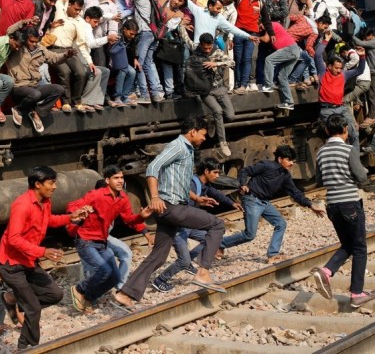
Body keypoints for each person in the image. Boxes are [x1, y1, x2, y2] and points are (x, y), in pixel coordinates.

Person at [114, 117, 228, 309]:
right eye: (203, 134)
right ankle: (203, 272)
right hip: (172, 207)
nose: (203, 139)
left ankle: (126, 293)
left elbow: (178, 182)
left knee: (158, 256)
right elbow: (153, 168)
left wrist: (197, 198)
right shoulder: (178, 146)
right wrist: (155, 197)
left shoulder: (186, 149)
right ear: (193, 131)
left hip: (171, 206)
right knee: (217, 225)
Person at [0, 166, 88, 350]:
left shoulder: (45, 202)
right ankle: (26, 347)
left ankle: (12, 299)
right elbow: (13, 239)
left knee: (55, 294)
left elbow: (49, 221)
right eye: (51, 183)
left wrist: (71, 217)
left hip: (28, 260)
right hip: (12, 264)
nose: (54, 187)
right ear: (37, 184)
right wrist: (42, 252)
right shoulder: (22, 205)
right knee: (34, 309)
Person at [219, 145, 326, 263]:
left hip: (264, 203)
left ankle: (273, 254)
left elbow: (295, 192)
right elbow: (245, 171)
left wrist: (310, 205)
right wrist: (243, 184)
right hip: (252, 200)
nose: (291, 163)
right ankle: (219, 243)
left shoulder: (285, 176)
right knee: (249, 235)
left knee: (281, 224)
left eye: (293, 161)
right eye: (289, 160)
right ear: (280, 159)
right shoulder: (266, 165)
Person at [68, 165, 152, 312]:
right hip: (85, 240)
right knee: (104, 270)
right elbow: (72, 205)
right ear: (107, 180)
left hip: (102, 242)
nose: (120, 181)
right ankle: (79, 289)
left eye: (121, 178)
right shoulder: (96, 195)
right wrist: (79, 211)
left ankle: (88, 297)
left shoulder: (123, 198)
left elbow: (129, 220)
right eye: (116, 178)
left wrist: (141, 217)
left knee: (115, 277)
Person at [152, 158, 243, 292]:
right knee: (184, 260)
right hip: (178, 227)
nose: (218, 176)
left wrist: (231, 203)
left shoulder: (204, 185)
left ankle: (188, 262)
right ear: (206, 171)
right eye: (216, 172)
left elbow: (216, 194)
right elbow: (182, 209)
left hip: (187, 226)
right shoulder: (192, 185)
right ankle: (160, 279)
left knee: (212, 238)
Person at [313, 114, 373, 308]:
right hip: (350, 203)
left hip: (333, 206)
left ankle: (327, 271)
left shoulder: (321, 152)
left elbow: (320, 180)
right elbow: (361, 177)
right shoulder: (348, 150)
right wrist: (360, 172)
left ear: (328, 131)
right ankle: (356, 293)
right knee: (360, 248)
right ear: (345, 130)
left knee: (347, 243)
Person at [5, 25, 69, 133]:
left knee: (59, 89)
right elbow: (9, 32)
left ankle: (36, 113)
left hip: (34, 86)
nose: (34, 44)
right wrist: (23, 22)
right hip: (18, 87)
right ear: (25, 39)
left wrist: (66, 55)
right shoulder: (17, 47)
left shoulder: (40, 49)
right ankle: (18, 109)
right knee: (35, 94)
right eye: (31, 41)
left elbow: (54, 58)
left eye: (36, 41)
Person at [112, 0, 165, 104]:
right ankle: (155, 94)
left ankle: (145, 95)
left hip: (144, 33)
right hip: (152, 33)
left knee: (139, 65)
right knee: (147, 63)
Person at [180, 32, 235, 157]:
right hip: (206, 90)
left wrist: (216, 64)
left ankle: (212, 122)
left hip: (219, 88)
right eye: (205, 48)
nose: (207, 50)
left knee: (230, 116)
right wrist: (180, 25)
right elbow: (186, 39)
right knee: (218, 111)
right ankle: (222, 142)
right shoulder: (196, 48)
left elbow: (232, 63)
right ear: (201, 45)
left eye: (209, 48)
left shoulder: (217, 52)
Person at [317, 33, 366, 151]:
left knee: (354, 132)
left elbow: (359, 70)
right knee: (335, 136)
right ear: (329, 66)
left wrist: (362, 56)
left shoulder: (343, 74)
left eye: (340, 68)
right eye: (336, 68)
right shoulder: (323, 74)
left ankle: (354, 160)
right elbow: (318, 55)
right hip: (327, 110)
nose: (339, 70)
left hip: (341, 108)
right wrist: (326, 40)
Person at [49, 0, 94, 112]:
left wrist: (89, 61)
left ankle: (77, 101)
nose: (78, 12)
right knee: (65, 72)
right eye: (76, 9)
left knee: (81, 72)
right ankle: (66, 102)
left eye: (80, 10)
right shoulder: (59, 10)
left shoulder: (80, 22)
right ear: (69, 5)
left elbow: (81, 43)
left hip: (69, 50)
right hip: (54, 50)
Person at [233, 0, 274, 94]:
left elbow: (266, 20)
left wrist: (272, 33)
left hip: (252, 34)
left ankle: (243, 84)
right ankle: (237, 82)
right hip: (239, 32)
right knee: (238, 58)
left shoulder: (261, 2)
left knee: (248, 58)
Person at [259, 21, 301, 110]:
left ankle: (268, 85)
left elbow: (266, 39)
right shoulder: (275, 26)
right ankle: (289, 102)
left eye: (260, 25)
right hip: (294, 51)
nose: (260, 28)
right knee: (282, 77)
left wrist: (255, 37)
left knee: (269, 60)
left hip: (290, 49)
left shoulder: (271, 25)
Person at [109, 19, 140, 106]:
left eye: (134, 34)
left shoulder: (131, 39)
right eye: (131, 34)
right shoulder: (117, 37)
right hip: (113, 63)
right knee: (123, 71)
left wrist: (135, 58)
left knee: (132, 72)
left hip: (124, 62)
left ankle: (124, 96)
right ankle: (117, 97)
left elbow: (133, 50)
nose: (133, 36)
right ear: (125, 29)